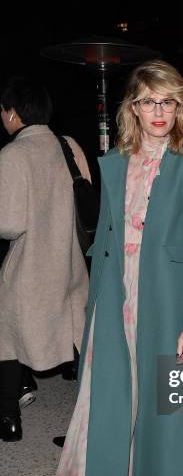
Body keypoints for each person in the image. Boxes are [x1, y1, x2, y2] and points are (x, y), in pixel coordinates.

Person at [39, 60, 183, 476]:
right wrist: (93, 307)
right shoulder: (112, 163)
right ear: (132, 109)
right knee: (113, 404)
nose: (158, 111)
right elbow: (107, 240)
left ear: (178, 107)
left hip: (168, 301)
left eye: (167, 101)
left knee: (169, 408)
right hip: (116, 299)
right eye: (148, 101)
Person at [0, 76, 90, 441]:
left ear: (14, 114)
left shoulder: (13, 154)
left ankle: (8, 419)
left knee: (6, 339)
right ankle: (89, 421)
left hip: (31, 267)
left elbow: (10, 223)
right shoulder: (68, 145)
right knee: (80, 341)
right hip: (70, 263)